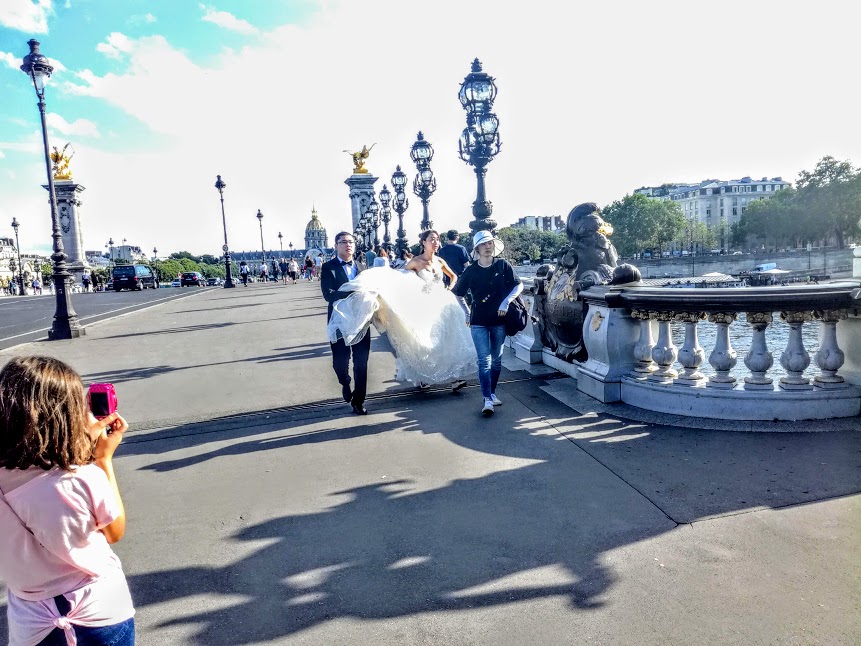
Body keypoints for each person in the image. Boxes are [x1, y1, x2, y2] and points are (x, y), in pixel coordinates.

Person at [0, 356, 135, 645]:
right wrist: (102, 459)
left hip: (32, 623)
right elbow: (114, 531)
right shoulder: (81, 477)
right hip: (100, 611)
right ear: (68, 414)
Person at [328, 229, 475, 391]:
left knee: (449, 340)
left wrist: (449, 287)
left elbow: (453, 276)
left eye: (437, 239)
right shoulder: (415, 262)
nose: (436, 242)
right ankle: (424, 375)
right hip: (426, 305)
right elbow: (401, 281)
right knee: (426, 341)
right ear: (423, 242)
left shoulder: (440, 261)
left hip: (444, 305)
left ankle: (455, 377)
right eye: (432, 239)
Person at [453, 230, 523, 416]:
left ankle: (492, 393)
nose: (487, 246)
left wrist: (506, 302)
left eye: (490, 243)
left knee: (497, 361)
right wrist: (467, 314)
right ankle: (487, 399)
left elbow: (518, 284)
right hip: (478, 321)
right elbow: (458, 294)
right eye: (483, 244)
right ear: (476, 248)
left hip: (499, 321)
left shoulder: (502, 265)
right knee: (484, 361)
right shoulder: (471, 270)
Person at [321, 232, 370, 415]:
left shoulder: (362, 266)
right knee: (340, 362)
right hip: (339, 321)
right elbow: (328, 294)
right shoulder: (328, 267)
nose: (348, 245)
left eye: (351, 242)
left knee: (361, 362)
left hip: (360, 320)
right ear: (336, 245)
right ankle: (345, 382)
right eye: (343, 242)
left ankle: (358, 401)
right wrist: (352, 293)